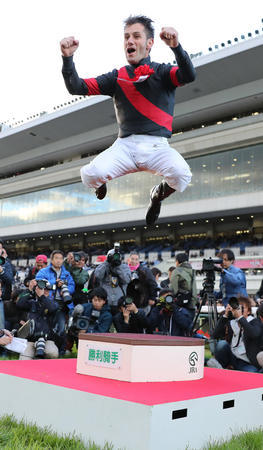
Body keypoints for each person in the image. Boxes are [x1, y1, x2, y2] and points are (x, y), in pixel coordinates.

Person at [60, 15, 196, 226]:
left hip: (157, 147)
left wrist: (176, 47)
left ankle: (157, 195)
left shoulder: (163, 72)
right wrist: (67, 58)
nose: (129, 41)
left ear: (150, 43)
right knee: (89, 175)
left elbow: (188, 75)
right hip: (124, 147)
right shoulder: (117, 76)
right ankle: (101, 182)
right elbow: (76, 87)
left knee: (181, 175)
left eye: (136, 36)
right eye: (126, 37)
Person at [35, 250, 75, 355]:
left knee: (62, 328)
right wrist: (54, 284)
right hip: (48, 303)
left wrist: (64, 290)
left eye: (61, 258)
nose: (58, 261)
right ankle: (47, 349)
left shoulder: (66, 273)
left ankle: (60, 351)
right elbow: (39, 282)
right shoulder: (44, 272)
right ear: (51, 260)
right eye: (56, 258)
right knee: (47, 328)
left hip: (62, 304)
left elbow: (72, 286)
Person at [208, 296, 262, 372]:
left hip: (246, 362)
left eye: (242, 308)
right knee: (222, 344)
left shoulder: (254, 322)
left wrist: (240, 318)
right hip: (232, 356)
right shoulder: (232, 322)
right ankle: (222, 367)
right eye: (237, 307)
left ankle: (222, 369)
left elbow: (254, 334)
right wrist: (225, 315)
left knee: (251, 374)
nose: (238, 310)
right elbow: (215, 335)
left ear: (249, 311)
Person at [17, 279, 59, 360]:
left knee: (53, 353)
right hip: (31, 340)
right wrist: (29, 290)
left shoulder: (53, 303)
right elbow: (19, 304)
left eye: (47, 290)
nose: (44, 291)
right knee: (24, 359)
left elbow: (52, 308)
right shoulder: (31, 303)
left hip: (47, 340)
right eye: (42, 289)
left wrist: (42, 296)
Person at [94, 246, 131, 314]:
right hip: (106, 302)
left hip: (120, 302)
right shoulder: (104, 266)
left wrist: (119, 267)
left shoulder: (124, 267)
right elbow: (98, 275)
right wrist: (106, 262)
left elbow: (126, 280)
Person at [170, 253, 197, 319]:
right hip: (192, 305)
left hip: (180, 306)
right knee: (189, 327)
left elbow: (174, 290)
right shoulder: (192, 271)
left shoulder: (176, 271)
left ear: (178, 261)